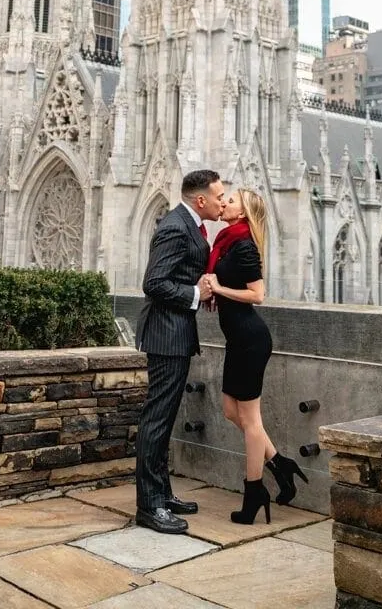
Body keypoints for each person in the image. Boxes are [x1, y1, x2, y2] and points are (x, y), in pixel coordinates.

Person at [204, 187, 308, 524]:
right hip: (237, 339)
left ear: (245, 213)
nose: (225, 202)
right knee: (231, 411)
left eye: (231, 200)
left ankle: (254, 492)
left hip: (250, 339)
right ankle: (280, 464)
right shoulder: (228, 241)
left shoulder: (245, 244)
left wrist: (218, 289)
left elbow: (258, 294)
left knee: (250, 420)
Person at [134, 168, 225, 534]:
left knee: (164, 418)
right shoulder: (175, 226)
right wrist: (194, 294)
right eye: (219, 196)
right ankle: (150, 506)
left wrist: (198, 284)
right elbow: (154, 283)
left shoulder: (185, 224)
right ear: (200, 199)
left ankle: (162, 493)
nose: (223, 202)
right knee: (156, 420)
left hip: (174, 333)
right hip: (165, 335)